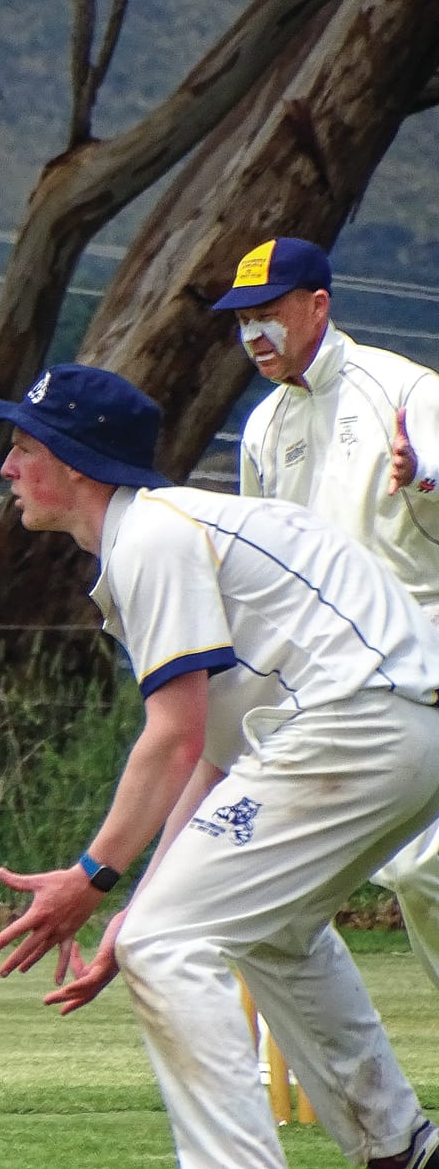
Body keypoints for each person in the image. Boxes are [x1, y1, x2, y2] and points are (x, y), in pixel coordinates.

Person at [0, 362, 439, 1169]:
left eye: (23, 447)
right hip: (389, 724)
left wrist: (93, 877)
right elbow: (216, 763)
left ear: (74, 459)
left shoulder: (152, 535)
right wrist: (138, 899)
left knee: (165, 944)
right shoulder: (161, 533)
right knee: (264, 927)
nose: (9, 468)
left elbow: (172, 737)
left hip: (357, 720)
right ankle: (399, 1147)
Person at [213, 235, 439, 986]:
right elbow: (263, 568)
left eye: (268, 313)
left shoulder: (403, 390)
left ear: (317, 305)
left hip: (427, 664)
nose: (253, 335)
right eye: (242, 319)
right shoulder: (263, 428)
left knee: (421, 872)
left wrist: (426, 480)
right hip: (334, 689)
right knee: (283, 884)